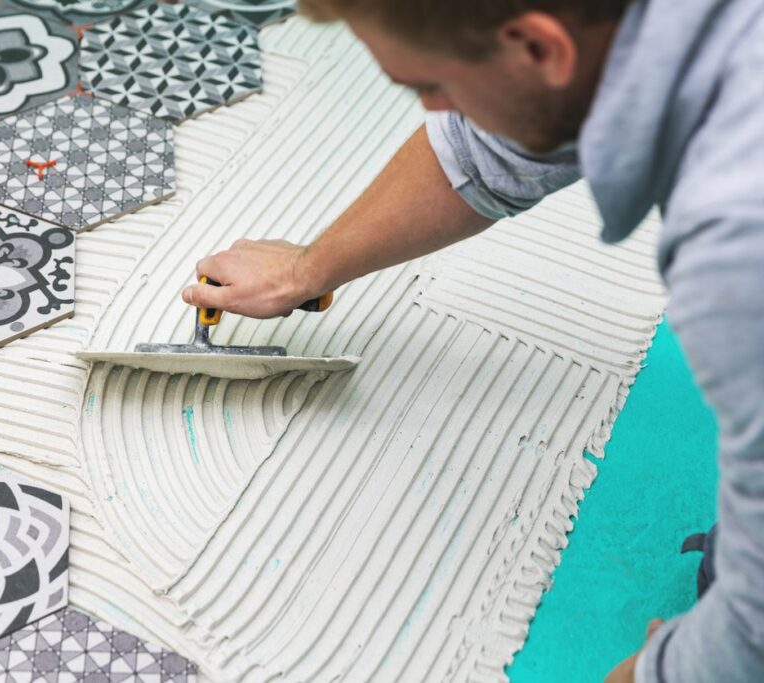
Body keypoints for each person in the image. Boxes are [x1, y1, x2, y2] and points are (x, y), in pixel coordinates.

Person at [179, 1, 764, 682]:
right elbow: (492, 148)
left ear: (541, 49)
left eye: (434, 86)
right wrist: (306, 269)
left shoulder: (736, 249)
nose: (436, 109)